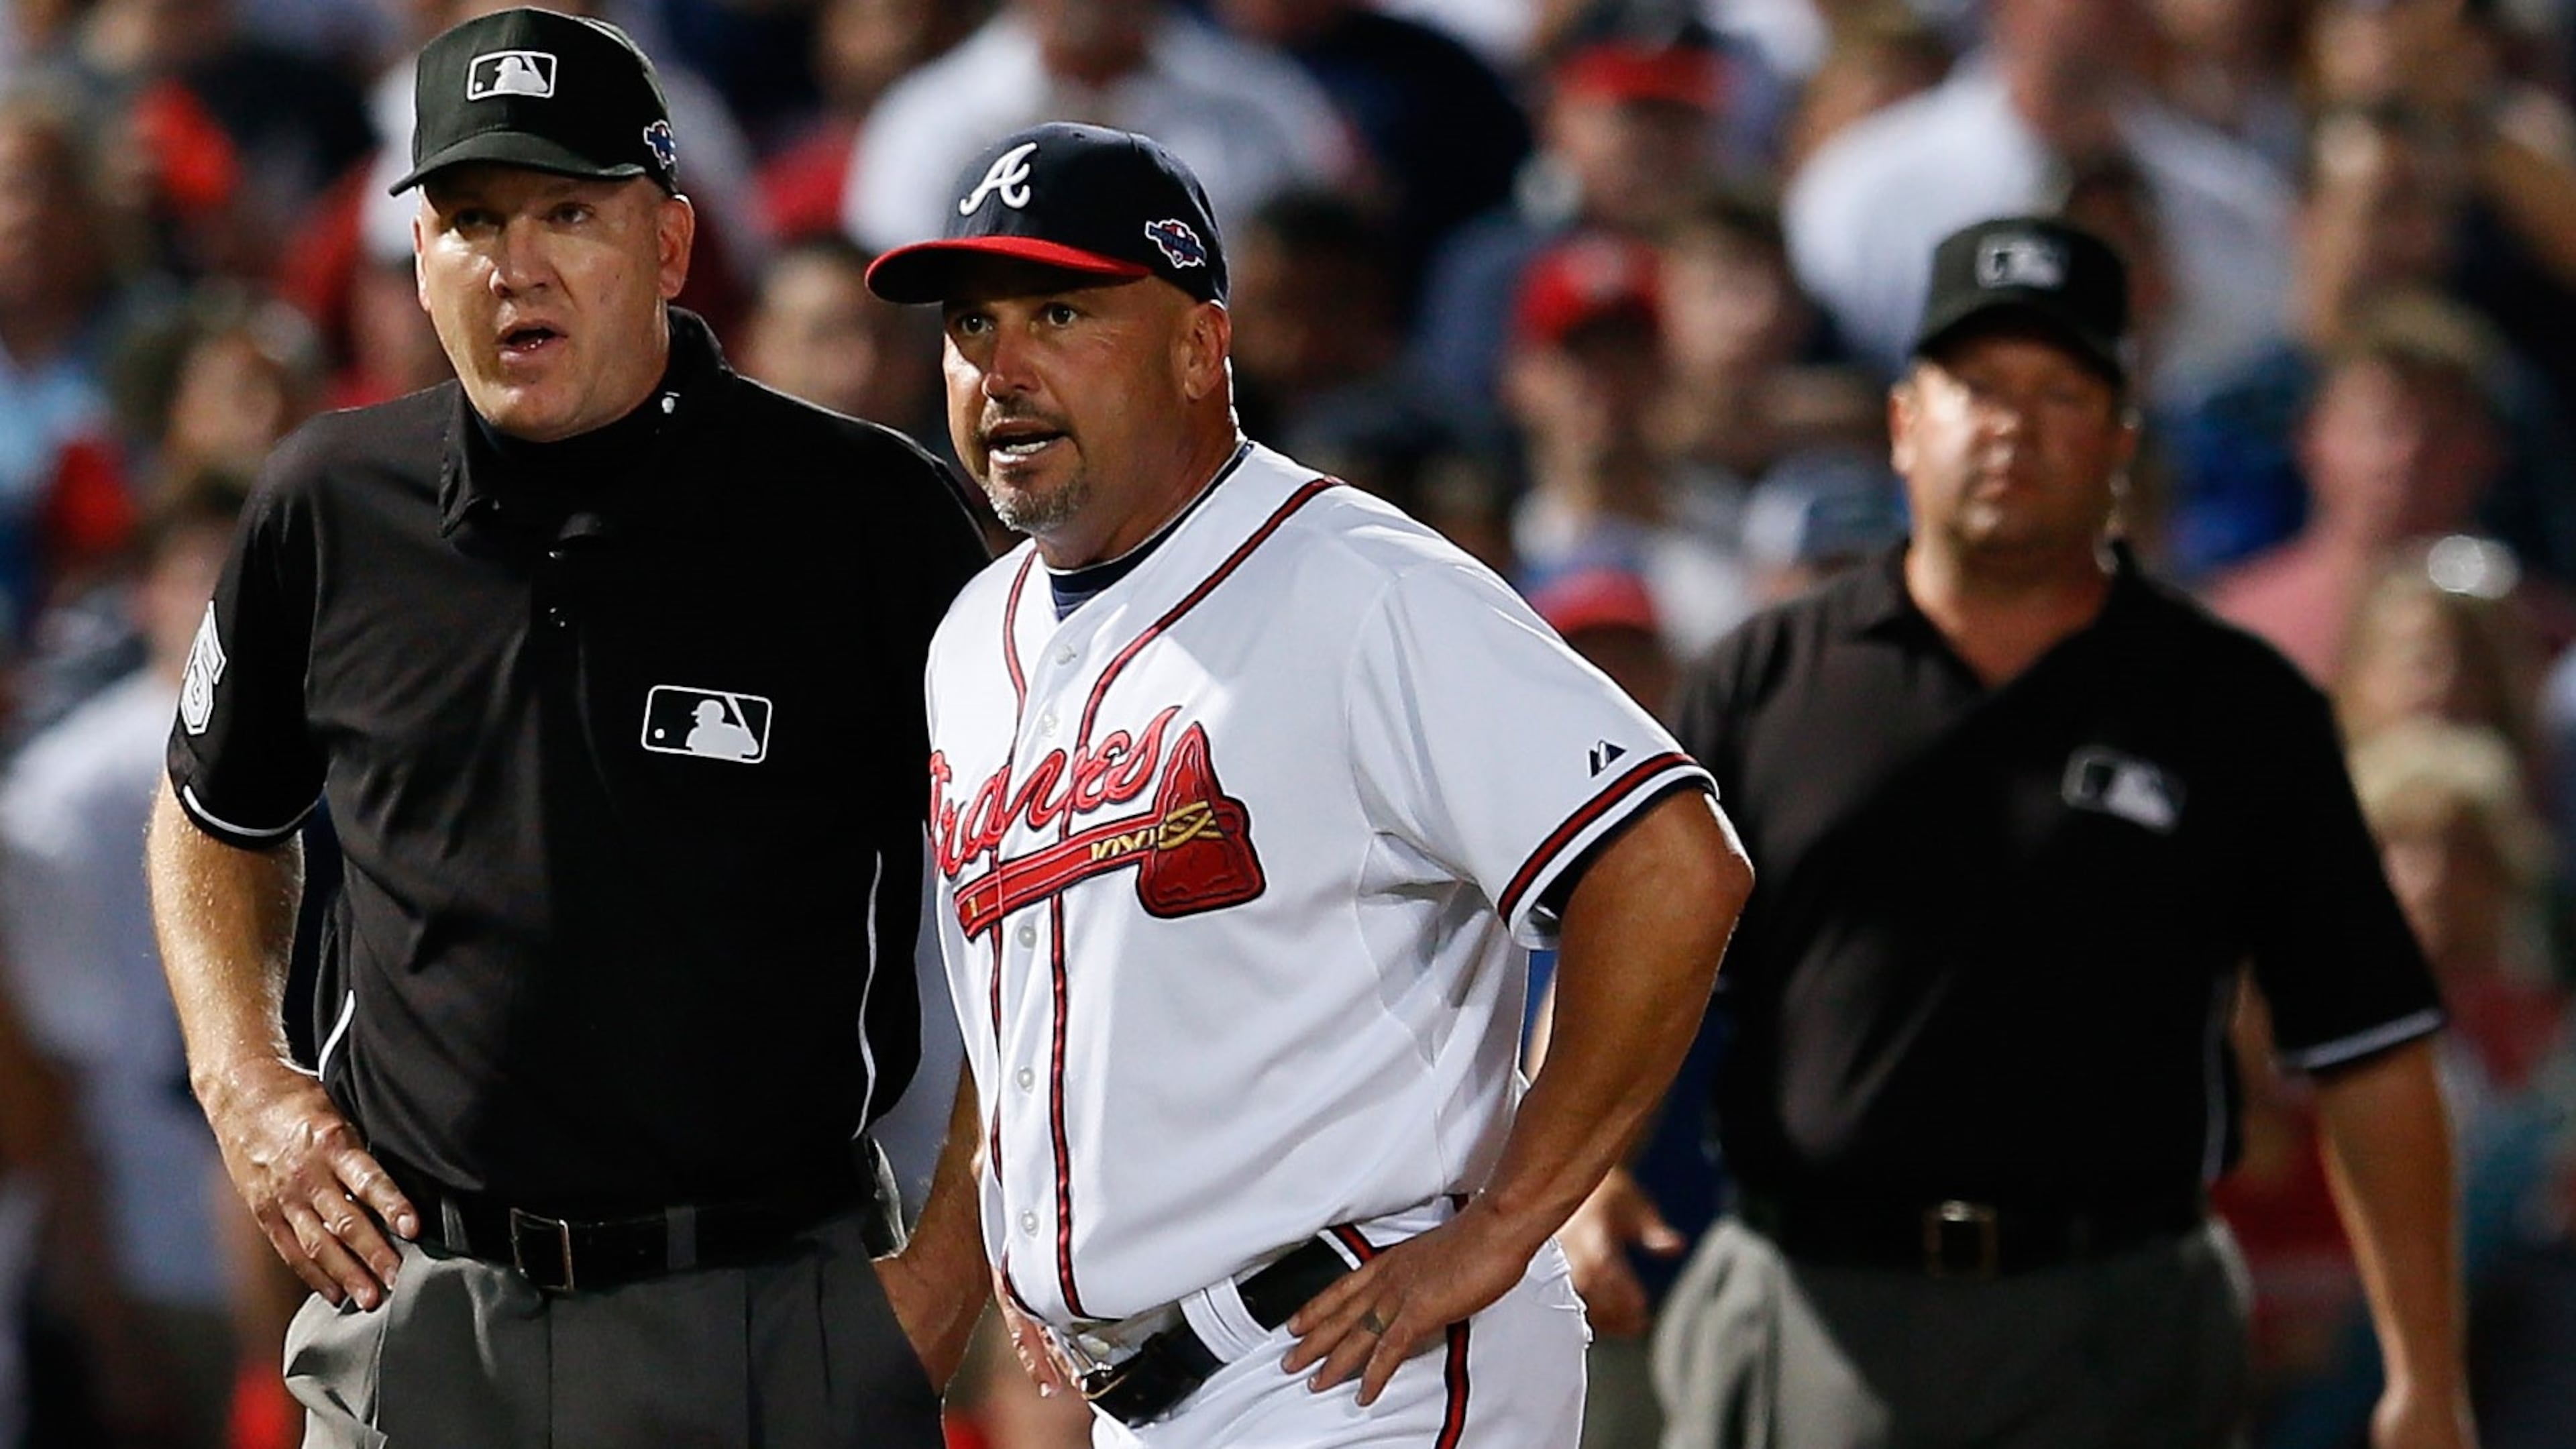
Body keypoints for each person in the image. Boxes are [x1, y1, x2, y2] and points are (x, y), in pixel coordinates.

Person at [142, 10, 992, 1446]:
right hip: (414, 1324)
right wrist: (248, 1086)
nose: (511, 264)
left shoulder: (861, 515)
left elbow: (1047, 896)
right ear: (418, 259)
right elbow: (212, 815)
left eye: (567, 213)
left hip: (759, 1312)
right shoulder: (328, 504)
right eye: (469, 219)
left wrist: (943, 1287)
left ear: (667, 244)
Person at [862, 121, 1753, 1445]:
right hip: (1142, 1393)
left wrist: (1510, 1223)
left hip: (1359, 1359)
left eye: (1061, 311)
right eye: (974, 324)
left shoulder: (1356, 587)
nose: (1004, 367)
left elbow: (1673, 869)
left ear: (1198, 347)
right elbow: (1028, 1008)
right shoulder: (971, 643)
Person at [1618, 215, 2475, 1448]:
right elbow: (1633, 958)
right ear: (1908, 421)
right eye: (1977, 387)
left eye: (2059, 390)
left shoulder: (2236, 706)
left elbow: (2373, 1044)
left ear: (2121, 442)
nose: (2012, 426)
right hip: (1813, 1309)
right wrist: (1586, 1190)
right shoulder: (1767, 678)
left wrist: (2424, 1370)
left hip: (2118, 1320)